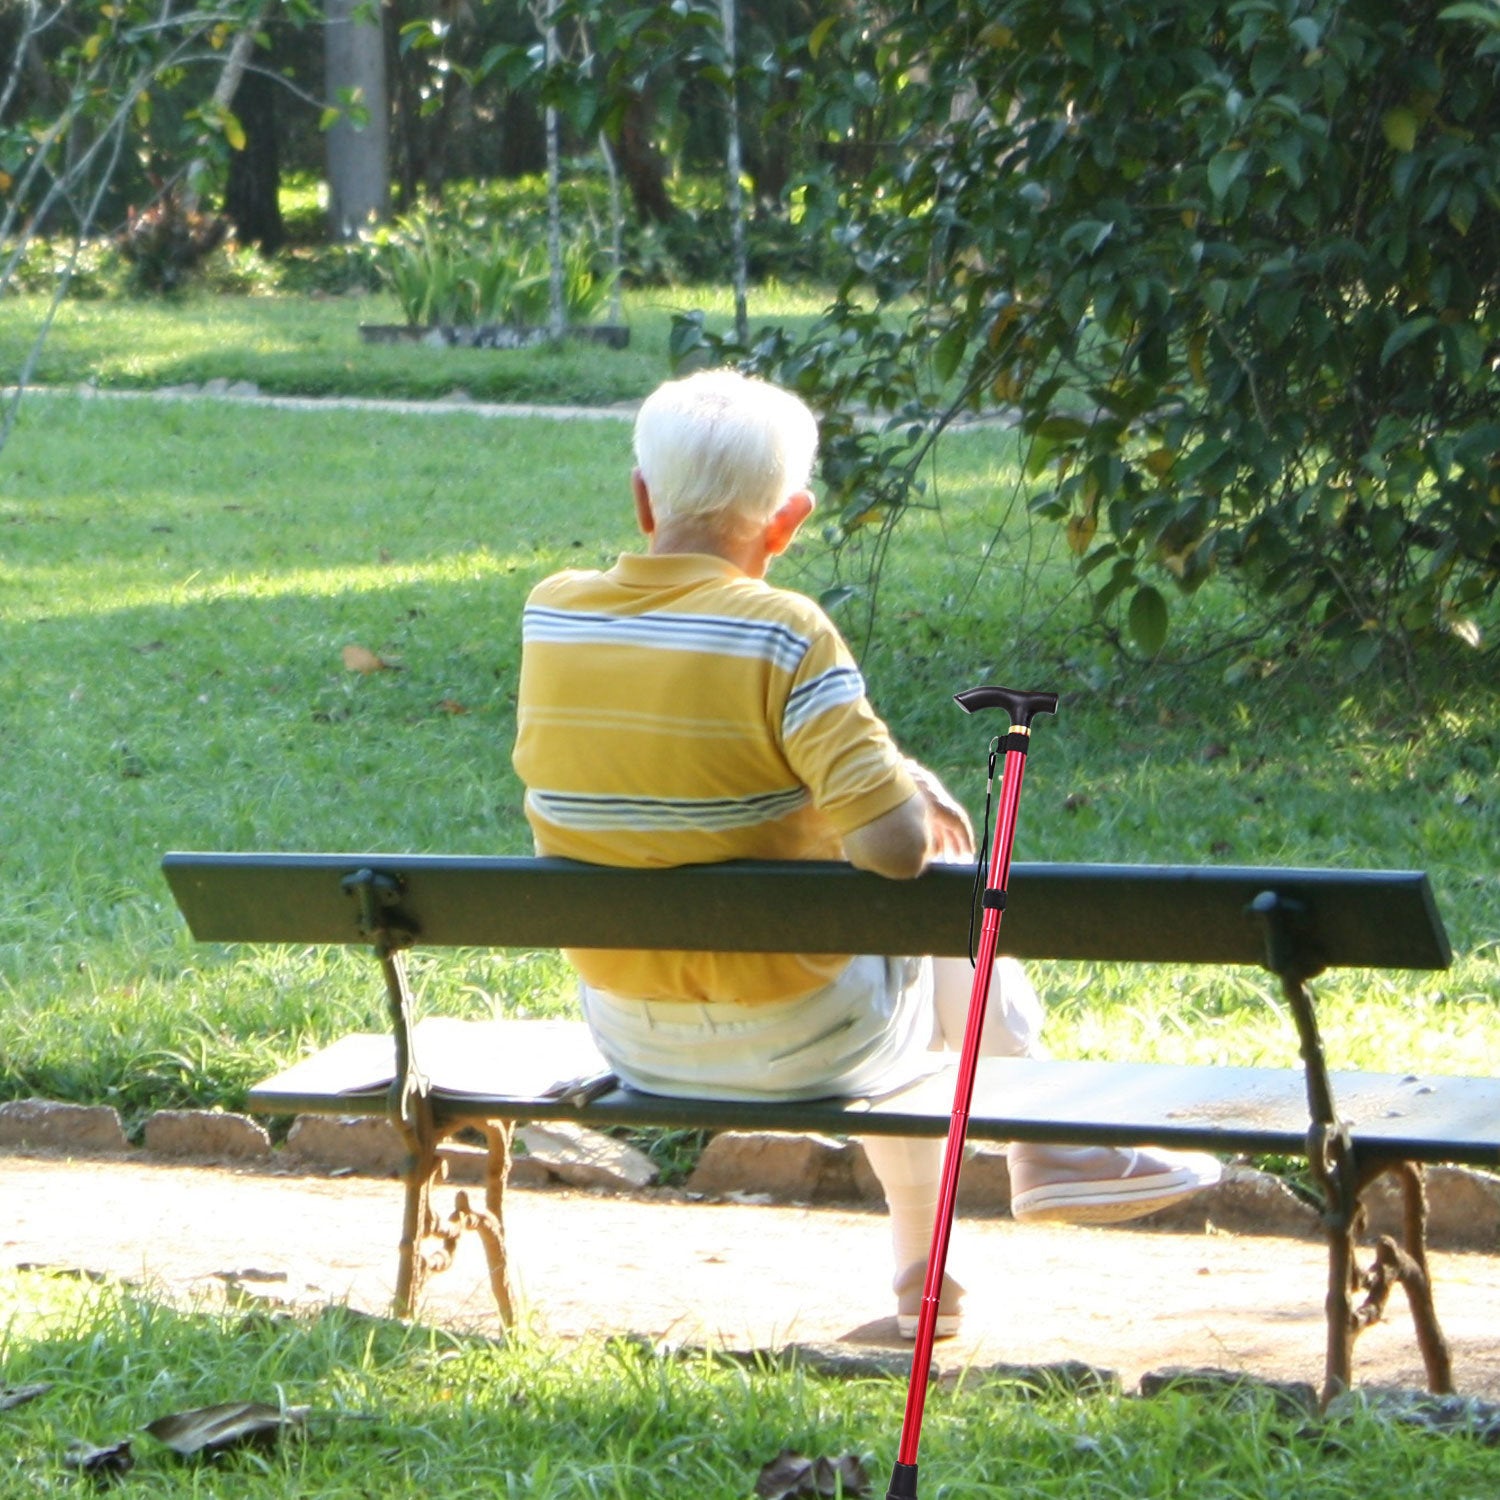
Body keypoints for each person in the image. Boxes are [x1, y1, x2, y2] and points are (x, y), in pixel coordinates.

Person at [512, 369, 1219, 1338]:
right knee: (942, 892)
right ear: (788, 521)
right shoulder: (785, 629)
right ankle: (1040, 1159)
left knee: (903, 941)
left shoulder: (553, 612)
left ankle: (981, 1228)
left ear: (642, 498)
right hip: (808, 1038)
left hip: (632, 1036)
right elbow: (892, 852)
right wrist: (914, 790)